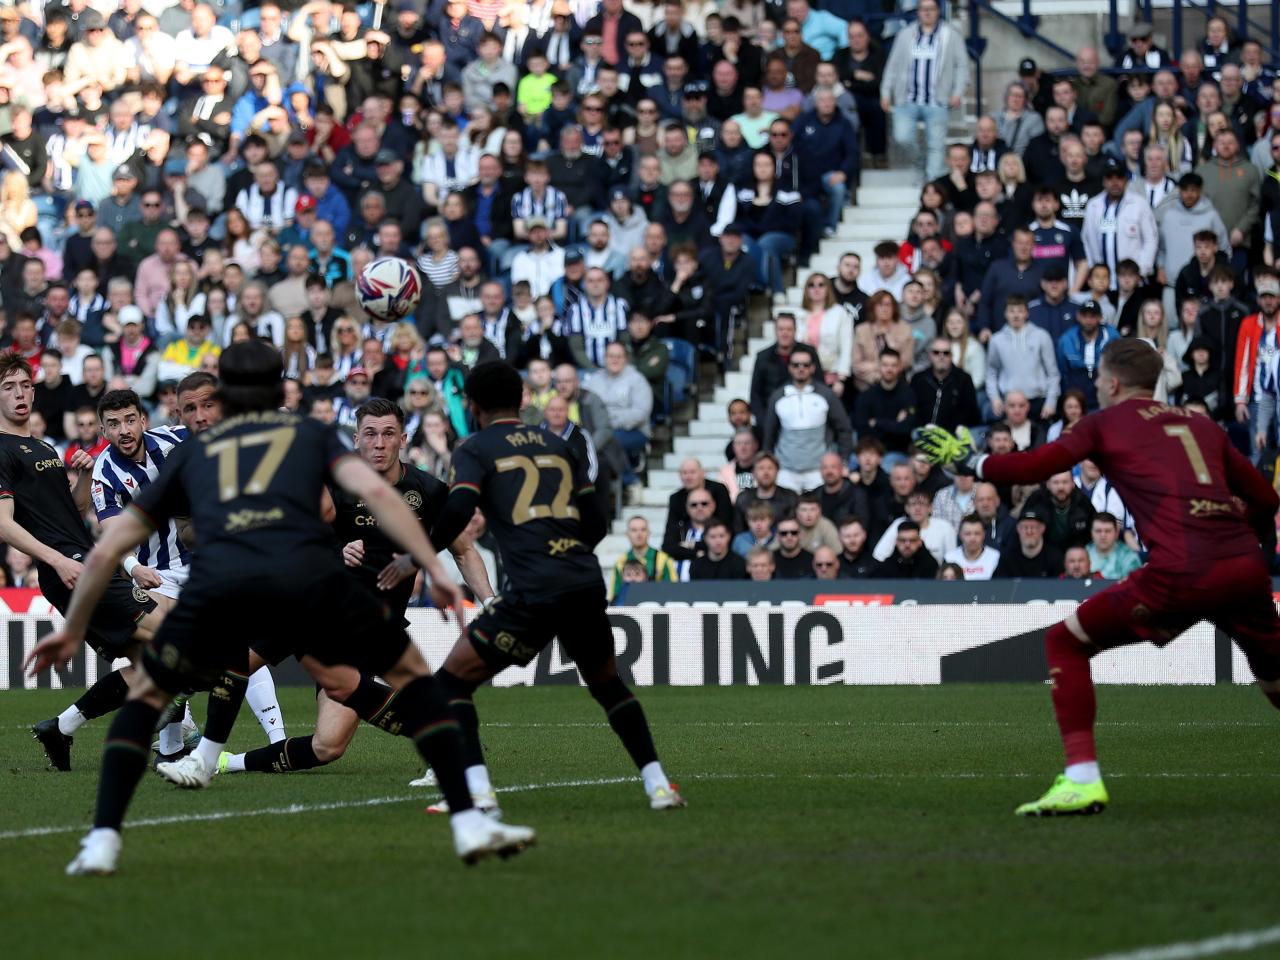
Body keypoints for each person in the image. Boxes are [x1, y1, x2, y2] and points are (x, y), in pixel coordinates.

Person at [28, 343, 536, 873]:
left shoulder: (192, 454)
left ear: (225, 395)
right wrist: (429, 567)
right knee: (414, 681)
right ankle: (470, 821)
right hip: (315, 587)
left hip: (234, 590)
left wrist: (75, 625)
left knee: (152, 691)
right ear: (277, 388)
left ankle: (104, 838)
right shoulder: (308, 436)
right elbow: (376, 499)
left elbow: (113, 543)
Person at [915, 337, 1280, 816]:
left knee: (1066, 643)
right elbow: (1267, 501)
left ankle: (1083, 779)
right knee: (1274, 675)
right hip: (1242, 566)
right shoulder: (1201, 423)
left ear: (1111, 383)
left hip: (1182, 570)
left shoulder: (1105, 423)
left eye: (1097, 381)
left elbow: (1035, 465)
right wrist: (1248, 548)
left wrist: (973, 461)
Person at [412, 361, 685, 812]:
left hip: (533, 590)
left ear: (473, 405)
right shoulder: (560, 446)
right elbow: (596, 519)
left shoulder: (474, 447)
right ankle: (658, 786)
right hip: (581, 580)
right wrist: (567, 552)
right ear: (522, 399)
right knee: (607, 684)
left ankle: (478, 793)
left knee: (451, 683)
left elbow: (460, 509)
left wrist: (415, 557)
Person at [216, 397, 495, 782]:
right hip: (317, 616)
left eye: (388, 434)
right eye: (370, 434)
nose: (379, 444)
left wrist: (492, 602)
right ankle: (199, 749)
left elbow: (464, 551)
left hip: (377, 628)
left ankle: (225, 761)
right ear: (356, 439)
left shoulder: (428, 491)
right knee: (230, 676)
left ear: (403, 438)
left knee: (339, 739)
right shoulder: (333, 484)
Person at [879, 0, 967, 183]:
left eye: (931, 9)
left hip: (937, 100)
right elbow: (893, 65)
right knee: (902, 137)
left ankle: (932, 183)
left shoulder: (950, 35)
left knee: (936, 145)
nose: (927, 13)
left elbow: (961, 65)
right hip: (908, 98)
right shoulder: (905, 35)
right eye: (923, 9)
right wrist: (886, 92)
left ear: (938, 11)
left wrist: (958, 91)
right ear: (918, 12)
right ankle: (921, 161)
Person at [761, 344, 853, 493]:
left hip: (819, 471)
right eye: (796, 365)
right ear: (789, 368)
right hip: (786, 471)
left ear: (813, 368)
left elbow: (844, 429)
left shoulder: (826, 395)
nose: (800, 368)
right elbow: (769, 435)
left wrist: (842, 461)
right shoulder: (777, 397)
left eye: (805, 365)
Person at [611, 516, 677, 599]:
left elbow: (673, 591)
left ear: (649, 533)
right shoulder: (620, 561)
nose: (639, 534)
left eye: (643, 529)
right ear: (627, 534)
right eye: (634, 530)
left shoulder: (663, 559)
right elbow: (614, 596)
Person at [870, 520, 939, 579]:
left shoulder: (930, 565)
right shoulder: (887, 566)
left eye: (912, 540)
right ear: (896, 542)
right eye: (902, 540)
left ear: (920, 542)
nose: (907, 545)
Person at [1086, 511, 1142, 580]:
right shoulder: (1083, 553)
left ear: (1116, 533)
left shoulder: (1130, 558)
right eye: (1098, 531)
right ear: (1091, 533)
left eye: (1108, 531)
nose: (1103, 535)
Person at [944, 514, 1001, 580]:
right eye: (968, 534)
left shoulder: (995, 557)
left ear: (984, 534)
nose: (972, 538)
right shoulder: (950, 558)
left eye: (977, 533)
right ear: (960, 535)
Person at [770, 515, 814, 580]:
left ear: (800, 534)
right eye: (784, 533)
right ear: (777, 536)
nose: (789, 537)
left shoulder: (813, 561)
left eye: (794, 532)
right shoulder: (769, 560)